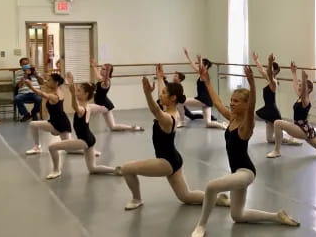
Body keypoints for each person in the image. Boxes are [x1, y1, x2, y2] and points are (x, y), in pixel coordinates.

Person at [191, 57, 299, 237]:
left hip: (245, 172)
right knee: (237, 215)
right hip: (236, 173)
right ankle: (277, 216)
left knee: (211, 187)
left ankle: (201, 226)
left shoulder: (246, 126)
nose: (231, 103)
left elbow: (251, 110)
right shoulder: (232, 118)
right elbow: (217, 102)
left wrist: (253, 86)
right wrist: (207, 81)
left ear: (245, 105)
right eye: (232, 100)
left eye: (236, 101)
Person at [120, 64, 230, 210]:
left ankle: (136, 199)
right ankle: (218, 199)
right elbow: (160, 99)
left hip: (166, 162)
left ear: (172, 98)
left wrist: (147, 93)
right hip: (174, 159)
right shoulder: (170, 110)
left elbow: (155, 110)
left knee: (127, 168)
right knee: (186, 196)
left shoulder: (167, 118)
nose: (161, 94)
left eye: (164, 93)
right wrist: (160, 78)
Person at [44, 72, 122, 179]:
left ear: (85, 94)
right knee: (92, 169)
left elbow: (75, 106)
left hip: (84, 141)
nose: (76, 93)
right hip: (90, 139)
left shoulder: (82, 109)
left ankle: (56, 170)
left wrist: (72, 94)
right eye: (76, 91)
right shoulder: (88, 106)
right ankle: (116, 170)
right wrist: (72, 83)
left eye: (79, 91)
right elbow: (78, 102)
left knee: (52, 147)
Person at [252, 52, 301, 145]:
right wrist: (256, 60)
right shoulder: (270, 80)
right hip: (268, 110)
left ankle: (289, 137)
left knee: (250, 115)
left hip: (271, 111)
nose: (267, 69)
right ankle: (288, 140)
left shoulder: (274, 82)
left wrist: (270, 62)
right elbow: (262, 70)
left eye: (269, 68)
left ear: (274, 71)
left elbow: (268, 73)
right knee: (270, 139)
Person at [24, 73, 73, 155]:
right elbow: (45, 85)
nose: (47, 81)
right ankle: (37, 147)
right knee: (33, 124)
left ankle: (89, 150)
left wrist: (31, 87)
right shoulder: (59, 89)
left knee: (69, 149)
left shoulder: (54, 96)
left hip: (61, 124)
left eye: (50, 80)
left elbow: (42, 94)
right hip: (56, 122)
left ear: (56, 83)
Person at [90, 59, 143, 131]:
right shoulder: (101, 79)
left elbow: (105, 80)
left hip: (103, 106)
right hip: (106, 104)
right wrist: (94, 66)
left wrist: (108, 72)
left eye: (103, 69)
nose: (101, 70)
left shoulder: (106, 82)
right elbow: (97, 76)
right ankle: (133, 127)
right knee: (113, 127)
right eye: (101, 68)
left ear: (107, 72)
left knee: (87, 108)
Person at [182, 48, 226, 129]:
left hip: (203, 100)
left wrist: (200, 60)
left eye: (200, 65)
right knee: (208, 123)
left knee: (180, 101)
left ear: (205, 66)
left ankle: (181, 121)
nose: (198, 66)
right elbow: (193, 65)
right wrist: (187, 55)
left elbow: (200, 68)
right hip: (207, 101)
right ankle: (223, 125)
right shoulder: (203, 74)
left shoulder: (204, 75)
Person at [14, 57, 43, 122]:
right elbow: (19, 86)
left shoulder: (35, 71)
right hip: (23, 93)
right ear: (20, 65)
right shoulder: (18, 73)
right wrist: (25, 76)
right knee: (17, 98)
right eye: (24, 64)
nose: (26, 65)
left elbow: (42, 83)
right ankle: (26, 115)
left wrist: (37, 75)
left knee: (39, 99)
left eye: (27, 64)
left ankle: (34, 113)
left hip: (35, 92)